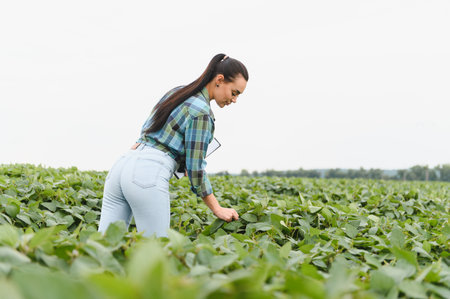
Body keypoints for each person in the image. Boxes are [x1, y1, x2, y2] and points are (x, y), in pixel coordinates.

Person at [98, 53, 249, 237]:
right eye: (234, 93)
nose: (234, 100)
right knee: (156, 254)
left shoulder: (178, 91)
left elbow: (148, 129)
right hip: (147, 173)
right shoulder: (202, 113)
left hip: (122, 165)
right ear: (219, 80)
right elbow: (196, 169)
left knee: (103, 247)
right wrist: (217, 208)